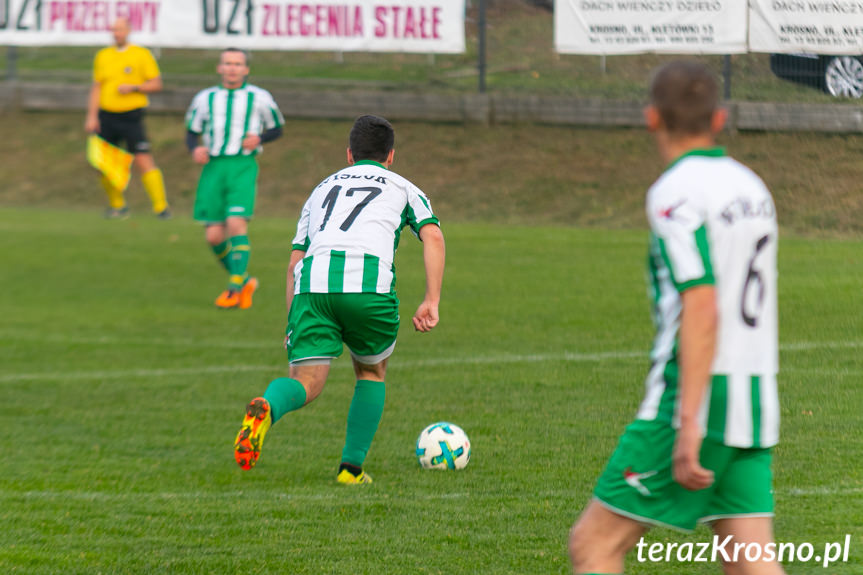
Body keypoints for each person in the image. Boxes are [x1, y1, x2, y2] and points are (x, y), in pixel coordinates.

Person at [569, 61, 782, 575]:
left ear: (651, 118)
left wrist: (689, 422)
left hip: (698, 396)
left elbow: (701, 301)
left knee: (594, 545)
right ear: (719, 118)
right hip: (753, 393)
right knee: (749, 557)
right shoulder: (752, 186)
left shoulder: (675, 193)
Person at [233, 114, 446, 485]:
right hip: (368, 288)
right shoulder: (404, 187)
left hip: (312, 284)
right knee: (370, 371)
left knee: (305, 381)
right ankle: (351, 470)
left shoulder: (320, 189)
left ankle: (268, 408)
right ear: (390, 155)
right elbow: (434, 237)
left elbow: (294, 262)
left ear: (349, 154)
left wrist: (291, 324)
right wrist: (432, 299)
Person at [185, 48, 285, 310]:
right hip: (214, 167)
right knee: (214, 236)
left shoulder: (259, 97)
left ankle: (233, 288)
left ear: (246, 69)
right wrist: (195, 148)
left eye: (237, 64)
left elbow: (277, 128)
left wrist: (260, 138)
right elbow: (191, 131)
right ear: (219, 68)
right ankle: (246, 280)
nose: (232, 68)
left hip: (242, 165)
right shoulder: (205, 98)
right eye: (228, 63)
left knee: (236, 224)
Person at [85, 17, 170, 220]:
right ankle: (118, 206)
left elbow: (157, 84)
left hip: (131, 116)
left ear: (129, 30)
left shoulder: (141, 54)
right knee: (103, 164)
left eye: (120, 29)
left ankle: (161, 208)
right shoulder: (103, 56)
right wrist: (91, 116)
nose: (116, 33)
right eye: (113, 29)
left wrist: (134, 88)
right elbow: (97, 87)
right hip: (106, 116)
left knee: (143, 159)